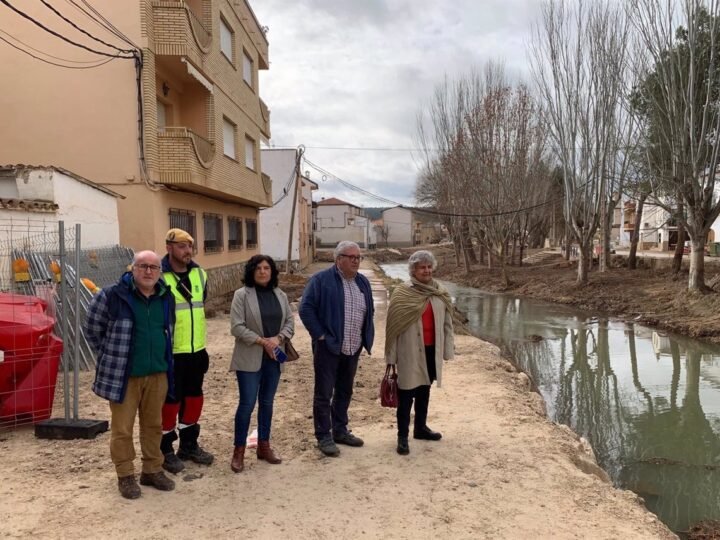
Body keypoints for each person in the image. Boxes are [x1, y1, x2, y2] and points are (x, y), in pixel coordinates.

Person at [84, 250, 176, 499]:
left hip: (158, 373)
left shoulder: (165, 297)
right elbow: (92, 329)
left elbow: (168, 330)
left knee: (153, 425)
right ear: (132, 268)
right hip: (125, 376)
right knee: (122, 429)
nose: (148, 272)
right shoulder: (112, 296)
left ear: (159, 272)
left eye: (154, 267)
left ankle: (152, 469)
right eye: (143, 266)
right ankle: (125, 475)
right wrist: (111, 355)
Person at [299, 241, 375, 457]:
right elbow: (306, 309)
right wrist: (321, 336)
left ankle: (340, 430)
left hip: (352, 347)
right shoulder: (321, 280)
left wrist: (365, 337)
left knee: (345, 390)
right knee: (324, 393)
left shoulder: (363, 282)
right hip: (328, 348)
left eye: (358, 257)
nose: (355, 261)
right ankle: (323, 435)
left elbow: (368, 311)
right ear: (338, 259)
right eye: (350, 257)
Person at [228, 255, 295, 472]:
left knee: (267, 403)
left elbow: (290, 322)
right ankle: (238, 451)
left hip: (274, 358)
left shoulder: (280, 294)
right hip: (249, 357)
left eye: (267, 268)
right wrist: (262, 342)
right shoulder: (241, 295)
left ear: (272, 271)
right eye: (258, 268)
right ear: (251, 271)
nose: (263, 271)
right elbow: (236, 327)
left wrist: (279, 339)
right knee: (247, 404)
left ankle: (264, 446)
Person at [384, 250, 454, 456]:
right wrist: (391, 357)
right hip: (409, 352)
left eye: (429, 266)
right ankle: (402, 437)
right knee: (406, 395)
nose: (427, 270)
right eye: (422, 267)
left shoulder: (439, 292)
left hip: (432, 350)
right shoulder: (402, 293)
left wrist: (448, 350)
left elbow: (447, 323)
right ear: (413, 270)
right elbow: (393, 327)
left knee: (425, 390)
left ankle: (420, 428)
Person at [160, 228, 214, 473]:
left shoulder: (200, 275)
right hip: (172, 353)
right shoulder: (160, 277)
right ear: (169, 247)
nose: (188, 251)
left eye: (190, 246)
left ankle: (189, 445)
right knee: (170, 402)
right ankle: (165, 450)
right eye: (182, 246)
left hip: (196, 350)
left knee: (194, 399)